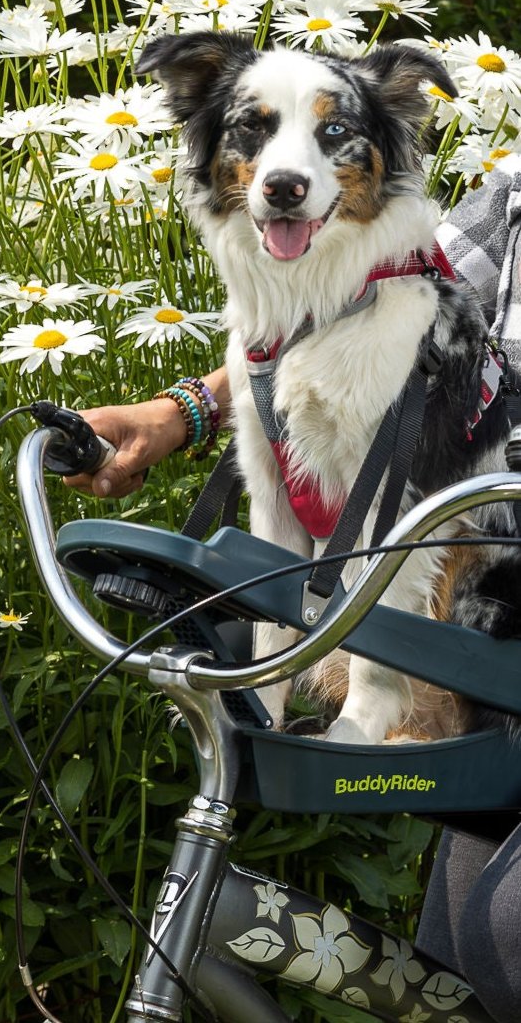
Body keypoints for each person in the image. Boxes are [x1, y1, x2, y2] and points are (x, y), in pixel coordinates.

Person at [64, 158, 521, 1022]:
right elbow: (364, 308)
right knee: (462, 963)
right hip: (488, 640)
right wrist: (181, 414)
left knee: (506, 939)